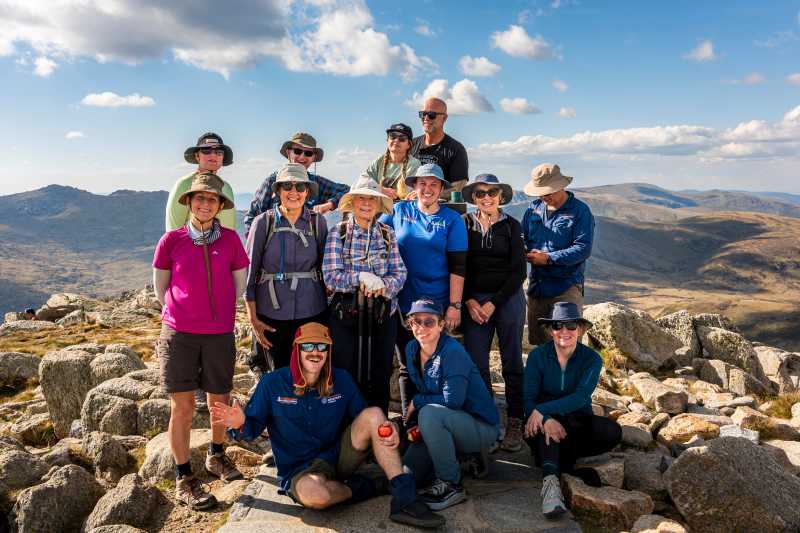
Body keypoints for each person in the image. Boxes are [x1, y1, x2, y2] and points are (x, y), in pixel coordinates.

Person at [209, 322, 445, 529]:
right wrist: (240, 423)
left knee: (374, 414)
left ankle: (404, 498)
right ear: (297, 350)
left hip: (338, 456)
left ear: (328, 351)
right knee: (316, 496)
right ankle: (369, 485)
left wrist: (386, 428)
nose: (315, 352)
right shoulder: (273, 383)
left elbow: (366, 417)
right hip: (299, 469)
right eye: (308, 346)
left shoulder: (341, 378)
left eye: (321, 347)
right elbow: (250, 429)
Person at [152, 172, 249, 510]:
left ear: (220, 206)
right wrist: (183, 314)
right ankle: (184, 477)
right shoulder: (171, 241)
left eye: (212, 199)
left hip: (218, 333)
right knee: (182, 407)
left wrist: (217, 313)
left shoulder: (231, 241)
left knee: (218, 400)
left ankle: (216, 455)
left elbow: (238, 285)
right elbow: (161, 288)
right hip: (179, 334)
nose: (205, 204)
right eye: (200, 198)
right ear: (189, 202)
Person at [379, 163, 468, 416]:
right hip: (402, 301)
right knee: (407, 364)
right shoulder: (399, 210)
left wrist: (455, 305)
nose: (427, 189)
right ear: (414, 186)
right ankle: (410, 422)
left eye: (433, 184)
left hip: (436, 303)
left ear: (441, 189)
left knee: (434, 364)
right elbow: (374, 233)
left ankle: (435, 418)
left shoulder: (451, 220)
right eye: (422, 184)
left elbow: (458, 266)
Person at [523, 302, 622, 518]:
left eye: (571, 325)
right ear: (551, 330)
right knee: (548, 430)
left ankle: (557, 462)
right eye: (558, 325)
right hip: (541, 426)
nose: (564, 331)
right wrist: (545, 417)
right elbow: (528, 399)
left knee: (613, 431)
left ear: (580, 329)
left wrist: (541, 410)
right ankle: (551, 486)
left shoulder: (592, 359)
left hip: (577, 421)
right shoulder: (537, 356)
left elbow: (581, 397)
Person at [401, 298, 500, 511]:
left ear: (441, 325)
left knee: (428, 413)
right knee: (407, 476)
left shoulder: (453, 351)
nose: (421, 327)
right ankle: (461, 457)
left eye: (429, 321)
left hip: (479, 425)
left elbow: (452, 400)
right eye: (416, 321)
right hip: (444, 420)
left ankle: (451, 483)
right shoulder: (411, 349)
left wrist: (418, 402)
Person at [322, 175, 407, 413]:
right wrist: (360, 278)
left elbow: (400, 273)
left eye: (372, 199)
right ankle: (347, 423)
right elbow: (331, 276)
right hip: (346, 315)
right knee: (344, 371)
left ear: (379, 204)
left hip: (382, 313)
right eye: (361, 198)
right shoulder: (338, 233)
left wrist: (382, 285)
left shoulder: (387, 234)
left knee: (380, 371)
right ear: (352, 202)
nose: (367, 204)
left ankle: (377, 423)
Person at [460, 174, 527, 452]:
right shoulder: (464, 224)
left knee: (512, 360)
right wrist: (468, 300)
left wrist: (493, 303)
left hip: (507, 298)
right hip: (473, 300)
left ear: (501, 196)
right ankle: (487, 421)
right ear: (473, 198)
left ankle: (515, 421)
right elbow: (457, 265)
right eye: (480, 193)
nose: (486, 197)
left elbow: (519, 272)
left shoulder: (512, 226)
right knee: (477, 363)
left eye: (492, 192)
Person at [245, 163, 328, 372]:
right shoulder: (263, 223)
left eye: (300, 187)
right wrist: (253, 318)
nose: (294, 192)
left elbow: (325, 268)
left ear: (307, 192)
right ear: (278, 191)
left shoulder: (318, 223)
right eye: (287, 186)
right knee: (278, 374)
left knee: (309, 373)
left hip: (312, 311)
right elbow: (250, 274)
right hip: (271, 315)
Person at [521, 163, 595, 346]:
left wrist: (548, 258)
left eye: (548, 192)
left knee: (566, 343)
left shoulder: (580, 211)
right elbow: (523, 237)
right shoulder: (533, 209)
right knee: (540, 344)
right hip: (537, 287)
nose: (544, 197)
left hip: (566, 286)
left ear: (561, 186)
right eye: (540, 193)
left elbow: (583, 248)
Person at [244, 132, 349, 236]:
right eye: (297, 151)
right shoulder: (272, 181)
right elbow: (252, 217)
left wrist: (328, 205)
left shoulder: (317, 183)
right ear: (288, 152)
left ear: (313, 158)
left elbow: (347, 192)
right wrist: (257, 242)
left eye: (308, 153)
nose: (302, 156)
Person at [165, 132, 237, 231]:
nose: (213, 155)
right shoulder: (183, 185)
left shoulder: (227, 187)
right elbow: (173, 230)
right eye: (206, 150)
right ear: (197, 156)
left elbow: (230, 229)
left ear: (223, 157)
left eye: (219, 152)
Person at [411, 98, 469, 196]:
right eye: (423, 114)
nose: (426, 118)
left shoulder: (456, 149)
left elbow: (457, 188)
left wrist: (425, 195)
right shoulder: (411, 145)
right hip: (410, 203)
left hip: (441, 205)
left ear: (444, 118)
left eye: (431, 115)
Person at [364, 123, 421, 201]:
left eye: (402, 139)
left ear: (409, 145)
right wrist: (380, 189)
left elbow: (411, 194)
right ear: (387, 141)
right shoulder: (378, 161)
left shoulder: (414, 165)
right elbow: (361, 182)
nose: (396, 140)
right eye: (393, 137)